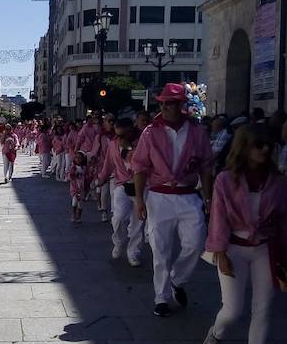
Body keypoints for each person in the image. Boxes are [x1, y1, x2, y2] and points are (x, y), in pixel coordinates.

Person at [201, 125, 287, 344]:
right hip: (234, 247)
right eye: (258, 144)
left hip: (265, 248)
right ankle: (215, 334)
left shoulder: (279, 182)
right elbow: (218, 218)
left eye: (268, 144)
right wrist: (220, 252)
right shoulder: (226, 180)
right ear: (244, 146)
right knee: (232, 310)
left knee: (263, 308)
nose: (264, 149)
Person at [132, 82, 213, 316]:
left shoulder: (197, 132)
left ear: (182, 105)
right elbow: (139, 167)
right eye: (164, 103)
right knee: (160, 249)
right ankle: (161, 297)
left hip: (188, 195)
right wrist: (139, 199)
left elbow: (206, 168)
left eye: (172, 103)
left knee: (196, 242)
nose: (166, 107)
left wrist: (209, 199)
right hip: (160, 196)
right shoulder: (151, 132)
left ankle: (177, 278)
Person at [98, 117, 143, 266]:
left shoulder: (142, 142)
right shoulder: (113, 144)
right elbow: (108, 163)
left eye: (123, 135)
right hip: (122, 185)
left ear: (131, 130)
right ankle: (118, 242)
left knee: (137, 222)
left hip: (140, 186)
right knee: (118, 218)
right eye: (117, 135)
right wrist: (102, 177)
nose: (120, 138)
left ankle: (133, 252)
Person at [68, 150, 89, 224]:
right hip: (74, 187)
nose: (78, 159)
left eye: (79, 158)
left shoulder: (85, 168)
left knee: (80, 203)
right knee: (74, 201)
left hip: (82, 188)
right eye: (76, 157)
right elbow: (69, 176)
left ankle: (79, 216)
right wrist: (73, 175)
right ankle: (73, 214)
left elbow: (87, 177)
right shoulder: (73, 167)